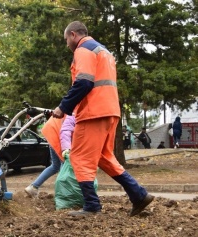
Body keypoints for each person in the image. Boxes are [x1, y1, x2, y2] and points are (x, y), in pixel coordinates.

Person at [52, 21, 154, 216]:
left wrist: (63, 107)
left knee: (79, 157)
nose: (67, 44)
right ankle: (139, 195)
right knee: (104, 157)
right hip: (110, 112)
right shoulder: (104, 51)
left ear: (73, 35)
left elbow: (83, 82)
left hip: (93, 113)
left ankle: (91, 205)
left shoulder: (83, 50)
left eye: (66, 40)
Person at [25, 115, 75, 197]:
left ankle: (33, 187)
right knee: (64, 165)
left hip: (51, 134)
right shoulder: (77, 111)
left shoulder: (69, 106)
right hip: (59, 137)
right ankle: (63, 195)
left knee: (55, 166)